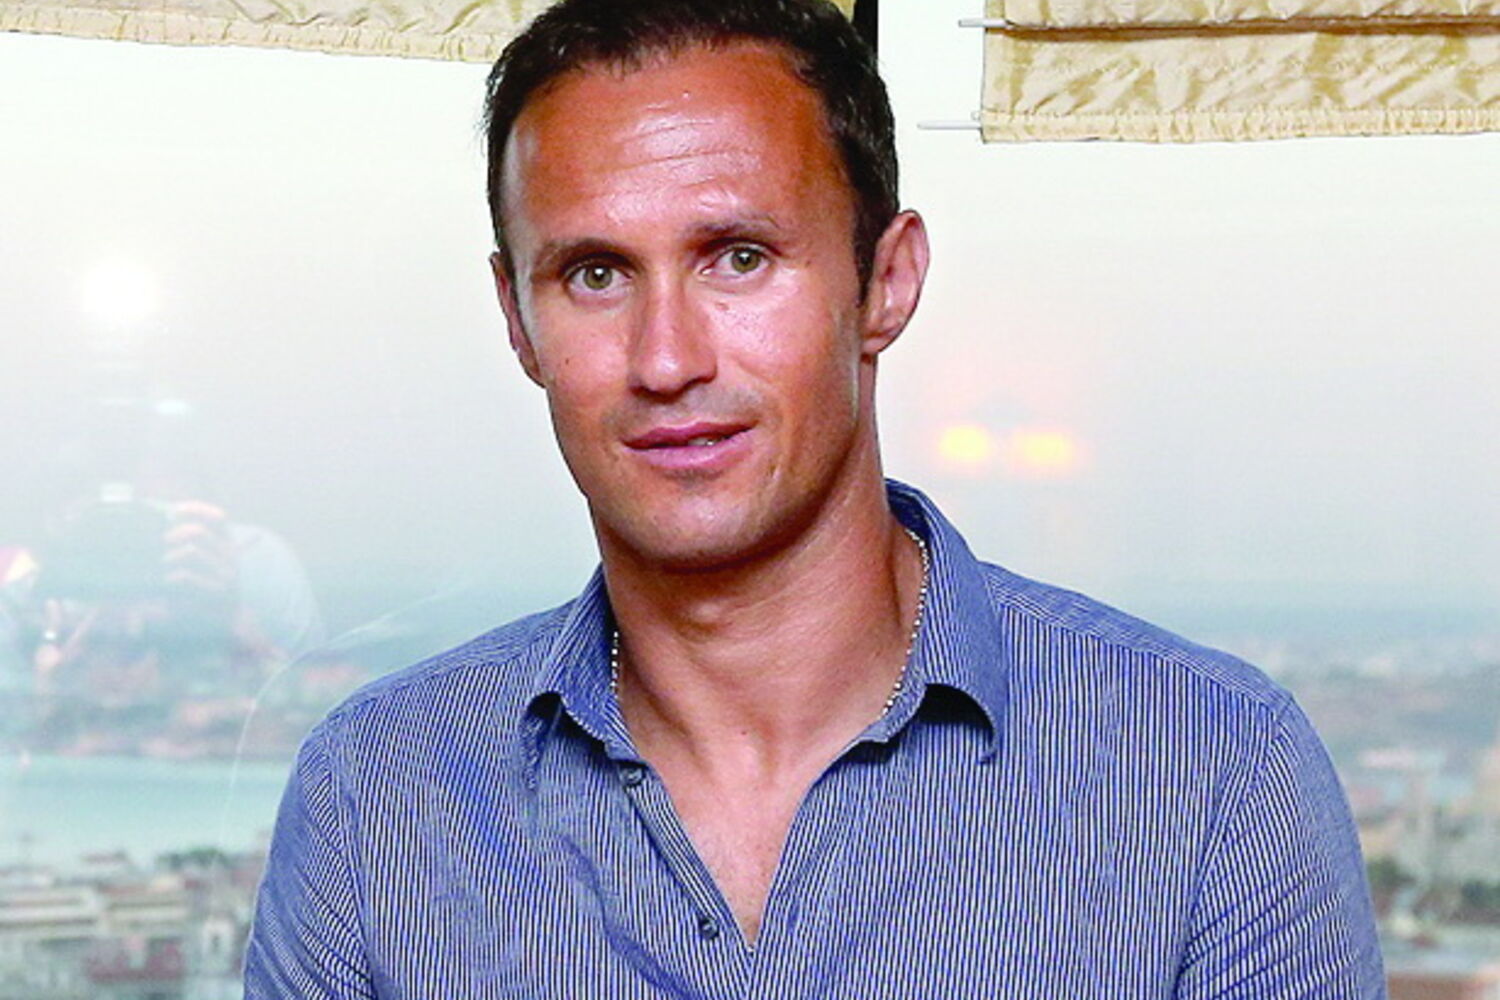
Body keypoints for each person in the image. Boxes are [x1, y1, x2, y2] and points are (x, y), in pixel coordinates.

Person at [245, 0, 1385, 995]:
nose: (666, 358)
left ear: (885, 281)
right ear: (518, 322)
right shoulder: (376, 800)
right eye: (595, 274)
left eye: (738, 257)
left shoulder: (1210, 774)